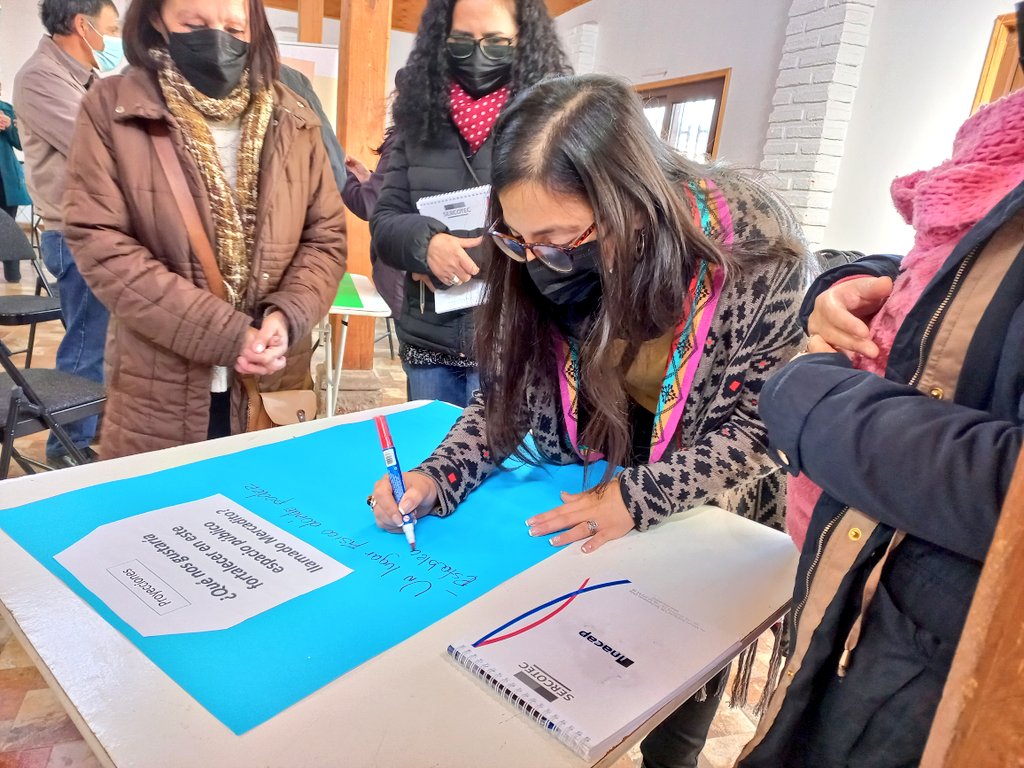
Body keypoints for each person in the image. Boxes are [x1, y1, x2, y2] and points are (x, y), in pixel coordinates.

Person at [368, 75, 812, 768]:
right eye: (519, 239)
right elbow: (510, 392)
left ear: (629, 201)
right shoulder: (540, 256)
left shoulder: (752, 251)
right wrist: (438, 474)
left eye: (558, 238)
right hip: (595, 461)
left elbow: (759, 428)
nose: (539, 259)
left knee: (678, 691)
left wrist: (638, 497)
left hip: (707, 494)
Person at [736, 33, 1024, 768]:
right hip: (864, 580)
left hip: (937, 660)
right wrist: (862, 277)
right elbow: (971, 293)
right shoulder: (995, 157)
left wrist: (805, 396)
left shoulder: (741, 250)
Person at [61, 0, 347, 459]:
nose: (218, 39)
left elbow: (325, 239)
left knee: (265, 517)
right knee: (160, 520)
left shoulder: (294, 116)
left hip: (272, 384)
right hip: (161, 388)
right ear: (157, 18)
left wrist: (286, 316)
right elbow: (101, 242)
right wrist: (227, 335)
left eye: (234, 26)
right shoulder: (113, 107)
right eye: (194, 24)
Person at [370, 0, 571, 407]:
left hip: (512, 342)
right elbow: (384, 221)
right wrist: (425, 246)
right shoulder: (418, 119)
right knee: (429, 458)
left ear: (524, 41)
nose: (478, 56)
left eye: (496, 42)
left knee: (503, 464)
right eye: (461, 42)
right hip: (430, 339)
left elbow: (567, 234)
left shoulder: (550, 124)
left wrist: (469, 255)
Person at [13, 0, 121, 465]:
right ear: (84, 25)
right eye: (112, 29)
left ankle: (90, 436)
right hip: (77, 233)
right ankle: (66, 450)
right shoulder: (41, 78)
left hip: (107, 231)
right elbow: (101, 146)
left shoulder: (91, 78)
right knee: (86, 346)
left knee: (107, 345)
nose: (115, 41)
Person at [343, 129, 404, 316]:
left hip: (402, 270)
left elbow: (369, 205)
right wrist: (369, 180)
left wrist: (339, 171)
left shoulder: (405, 137)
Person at [0, 83, 31, 283]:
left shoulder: (6, 109)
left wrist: (9, 126)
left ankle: (13, 275)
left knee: (8, 227)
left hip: (5, 179)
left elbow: (22, 142)